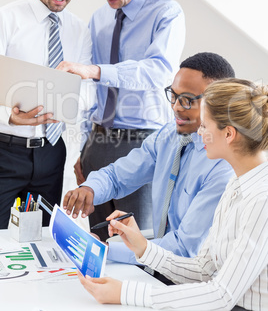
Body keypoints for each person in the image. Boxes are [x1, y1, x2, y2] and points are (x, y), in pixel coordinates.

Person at [78, 78, 268, 311]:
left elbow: (221, 295)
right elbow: (203, 270)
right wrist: (143, 248)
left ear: (228, 134)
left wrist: (126, 292)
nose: (198, 132)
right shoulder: (236, 186)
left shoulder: (261, 199)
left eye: (205, 126)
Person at [58, 0, 186, 239]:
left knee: (136, 244)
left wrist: (95, 70)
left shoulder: (166, 13)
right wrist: (86, 146)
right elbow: (94, 92)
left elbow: (158, 72)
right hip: (98, 144)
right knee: (99, 242)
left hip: (143, 144)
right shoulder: (100, 18)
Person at [63, 52, 235, 268]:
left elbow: (184, 248)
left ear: (219, 103)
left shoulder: (223, 166)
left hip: (190, 276)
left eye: (187, 100)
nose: (176, 107)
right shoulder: (169, 137)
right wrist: (90, 189)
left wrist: (108, 249)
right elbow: (118, 176)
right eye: (173, 95)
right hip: (157, 262)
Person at [0, 0, 92, 228]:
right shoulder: (7, 19)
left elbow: (86, 92)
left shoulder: (79, 30)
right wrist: (8, 115)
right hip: (5, 149)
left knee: (41, 238)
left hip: (52, 152)